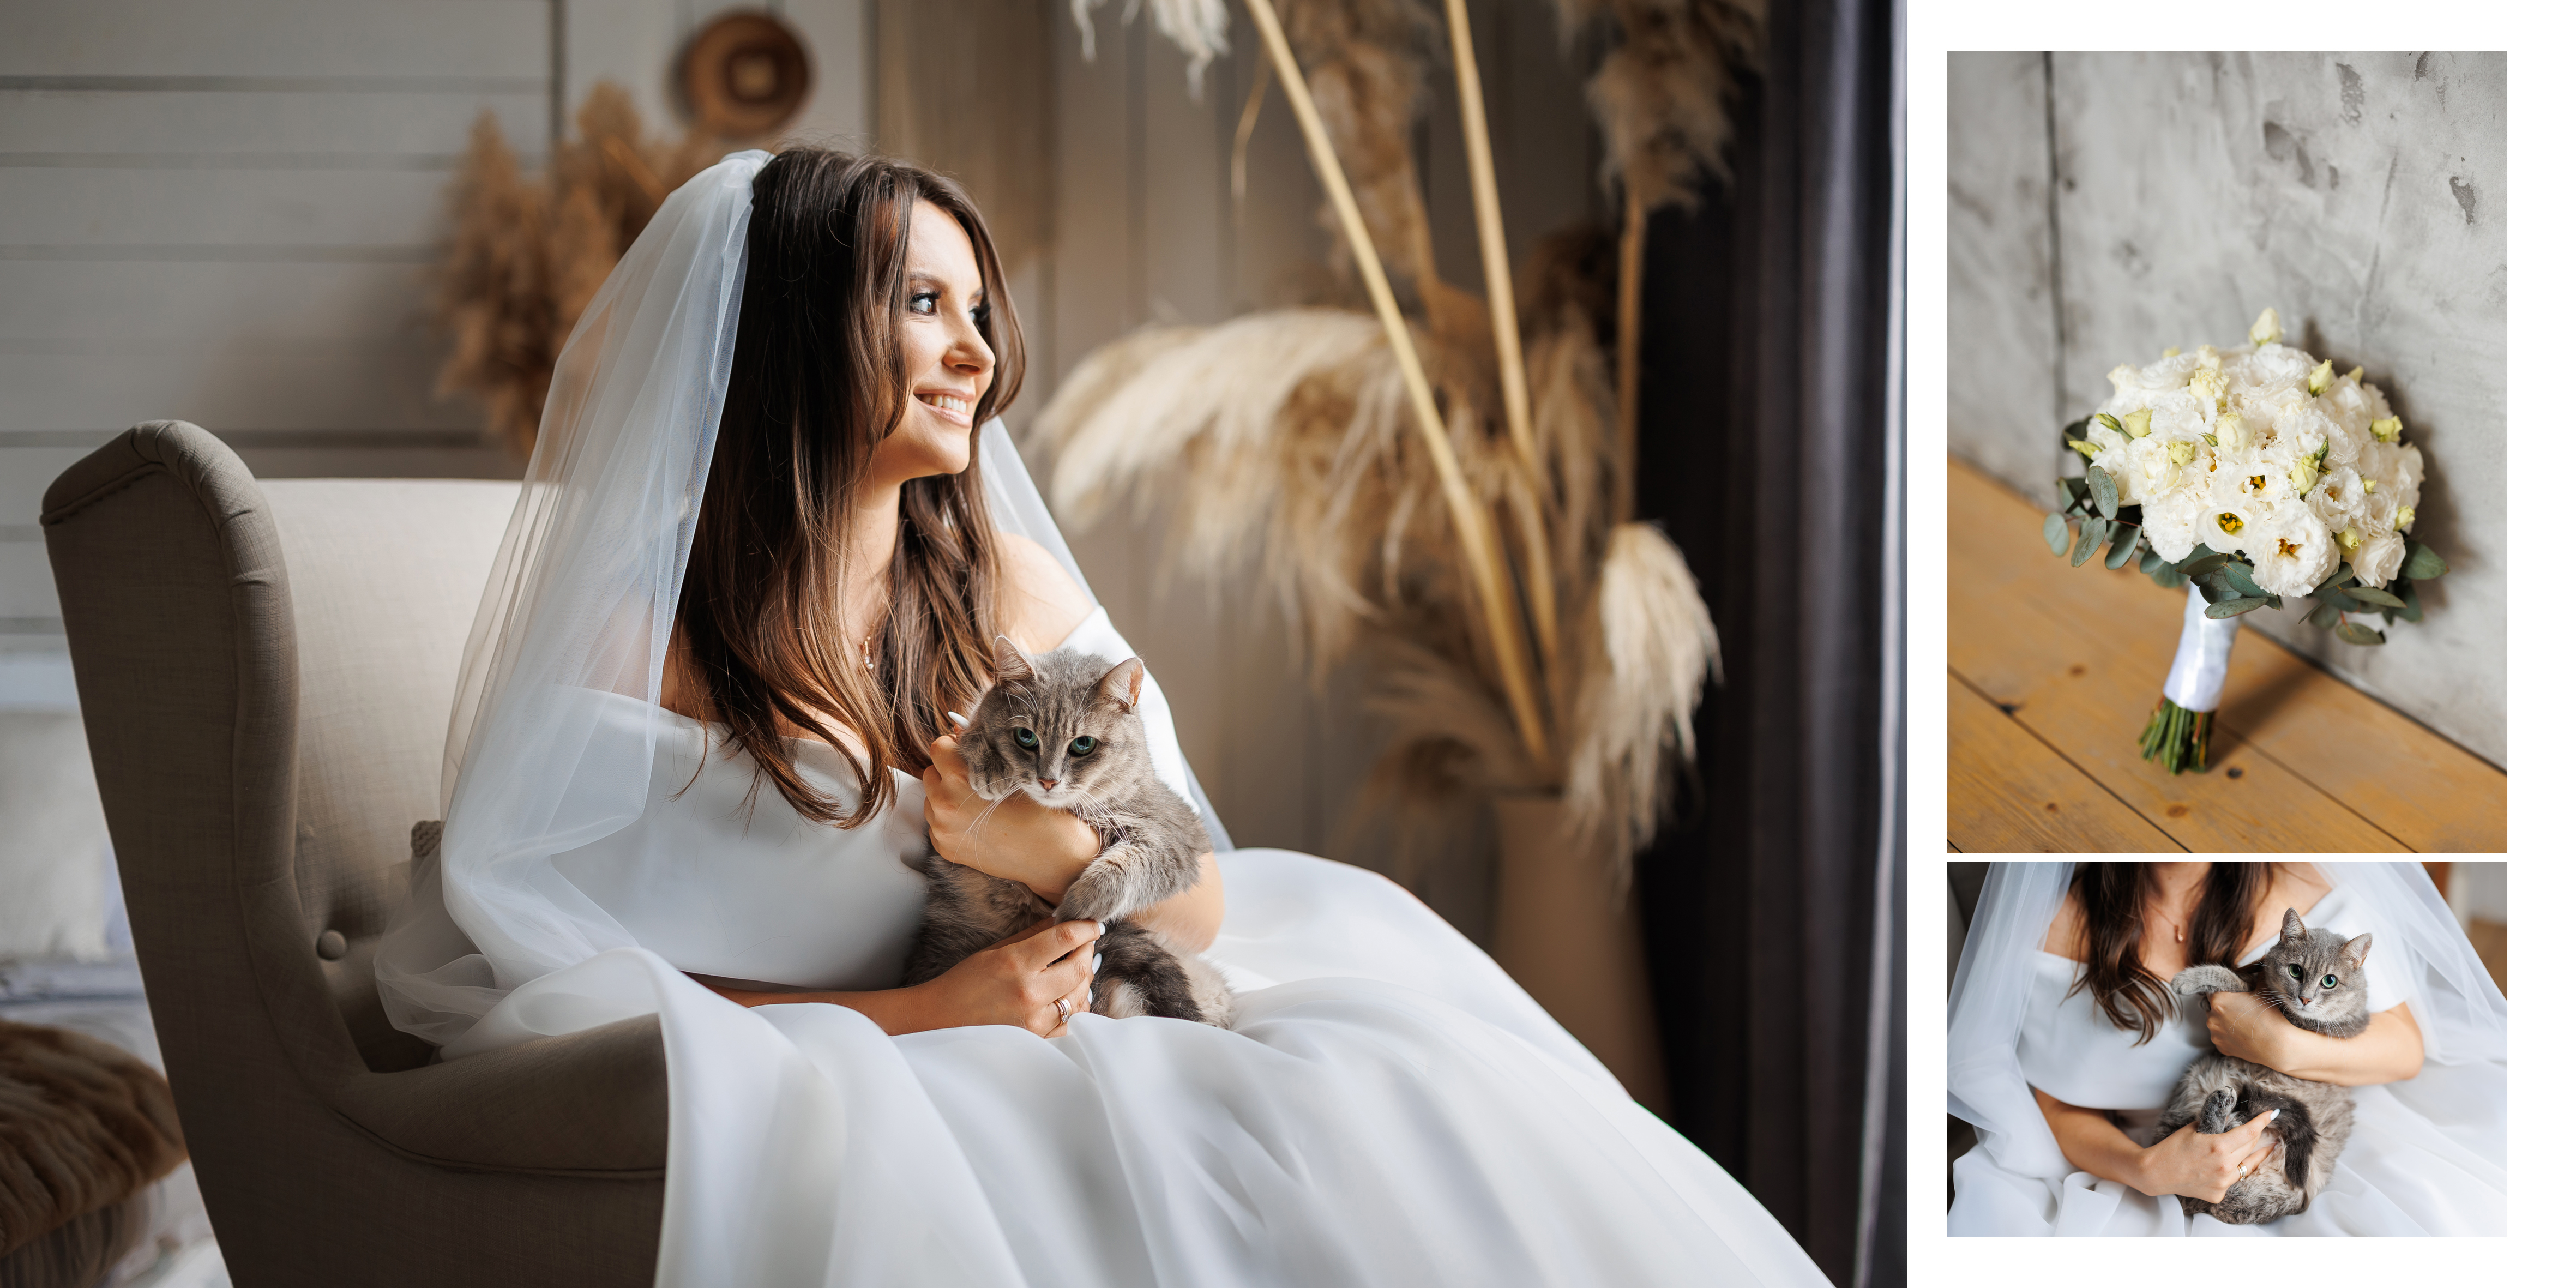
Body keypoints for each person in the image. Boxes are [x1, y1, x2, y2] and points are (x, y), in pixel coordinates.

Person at [377, 148, 1831, 1286]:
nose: (975, 354)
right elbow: (577, 995)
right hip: (880, 1044)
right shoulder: (648, 645)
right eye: (921, 305)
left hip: (1093, 985)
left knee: (1405, 1098)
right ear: (792, 333)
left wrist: (1039, 851)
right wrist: (920, 1014)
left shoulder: (1006, 588)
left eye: (977, 311)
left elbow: (1192, 892)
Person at [1947, 861, 2505, 1236]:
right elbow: (2053, 1104)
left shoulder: (2297, 881)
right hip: (2132, 1170)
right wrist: (2146, 1169)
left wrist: (2281, 1045)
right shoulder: (2051, 925)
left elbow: (2404, 1047)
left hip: (2319, 1138)